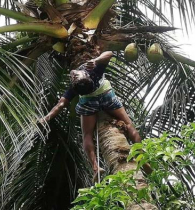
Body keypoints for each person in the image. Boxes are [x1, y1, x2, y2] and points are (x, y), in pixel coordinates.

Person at [40, 51, 141, 181]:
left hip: (89, 104)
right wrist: (97, 60)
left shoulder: (74, 88)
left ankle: (95, 167)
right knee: (128, 124)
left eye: (74, 77)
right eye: (75, 77)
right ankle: (141, 154)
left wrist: (46, 118)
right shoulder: (94, 71)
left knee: (87, 135)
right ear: (86, 74)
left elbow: (60, 105)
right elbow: (109, 53)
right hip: (107, 97)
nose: (73, 76)